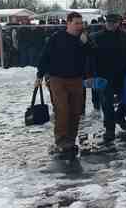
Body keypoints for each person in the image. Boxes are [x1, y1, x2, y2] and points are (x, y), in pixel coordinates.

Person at [35, 12, 92, 157]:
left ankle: (70, 139)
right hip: (57, 78)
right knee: (62, 109)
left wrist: (86, 44)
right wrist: (39, 75)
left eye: (81, 23)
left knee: (75, 110)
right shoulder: (57, 38)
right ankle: (61, 140)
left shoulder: (83, 39)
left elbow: (92, 55)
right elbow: (45, 56)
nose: (80, 26)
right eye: (76, 23)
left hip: (77, 79)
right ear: (68, 23)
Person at [89, 14, 126, 142]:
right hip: (104, 76)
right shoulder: (96, 37)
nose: (111, 24)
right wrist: (93, 74)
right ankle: (109, 128)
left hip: (122, 75)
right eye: (109, 22)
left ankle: (120, 117)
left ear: (118, 23)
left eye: (114, 22)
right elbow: (90, 56)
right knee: (106, 103)